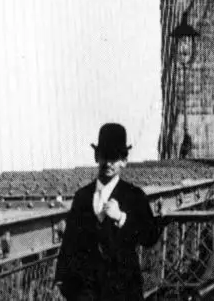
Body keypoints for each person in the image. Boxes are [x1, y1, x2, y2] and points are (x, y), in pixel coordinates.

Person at [54, 123, 161, 300]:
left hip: (124, 289)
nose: (109, 163)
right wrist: (62, 280)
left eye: (115, 157)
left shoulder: (134, 196)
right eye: (105, 156)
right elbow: (70, 241)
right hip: (87, 291)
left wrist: (122, 218)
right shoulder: (82, 196)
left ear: (124, 161)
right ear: (96, 157)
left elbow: (150, 236)